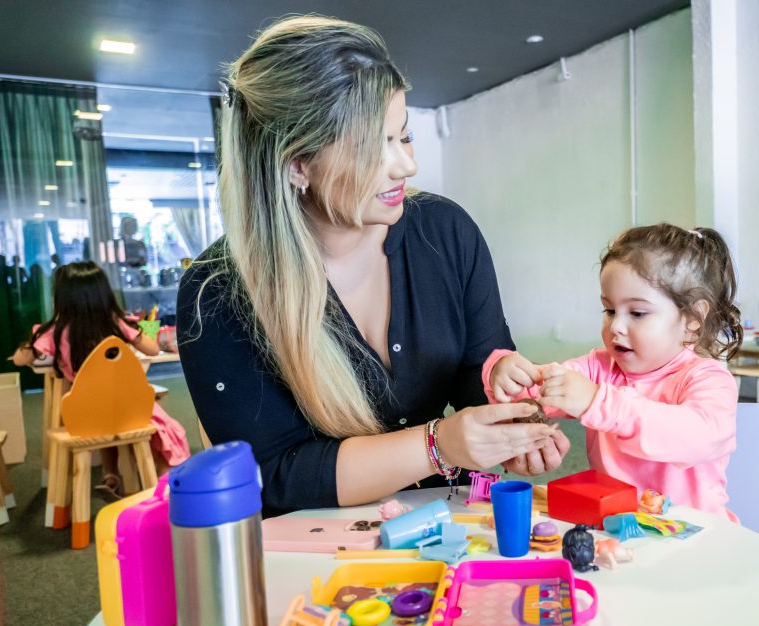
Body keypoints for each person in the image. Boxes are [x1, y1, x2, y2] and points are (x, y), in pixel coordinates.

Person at [176, 16, 567, 515]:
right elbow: (272, 476)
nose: (406, 165)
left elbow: (478, 367)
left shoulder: (445, 232)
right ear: (297, 164)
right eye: (374, 147)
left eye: (403, 137)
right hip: (314, 542)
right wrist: (439, 444)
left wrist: (509, 422)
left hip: (445, 515)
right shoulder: (218, 294)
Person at [484, 225, 743, 521]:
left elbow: (697, 438)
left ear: (692, 318)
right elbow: (532, 390)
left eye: (637, 313)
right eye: (609, 311)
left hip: (692, 534)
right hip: (615, 528)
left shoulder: (707, 378)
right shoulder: (599, 367)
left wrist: (598, 402)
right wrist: (501, 371)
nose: (616, 327)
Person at [12, 261, 190, 496]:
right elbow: (152, 349)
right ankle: (162, 490)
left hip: (84, 414)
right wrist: (137, 330)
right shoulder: (116, 323)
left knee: (111, 422)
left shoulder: (55, 330)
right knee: (168, 431)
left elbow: (18, 360)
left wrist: (33, 342)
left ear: (62, 298)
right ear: (103, 294)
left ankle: (111, 475)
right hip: (126, 409)